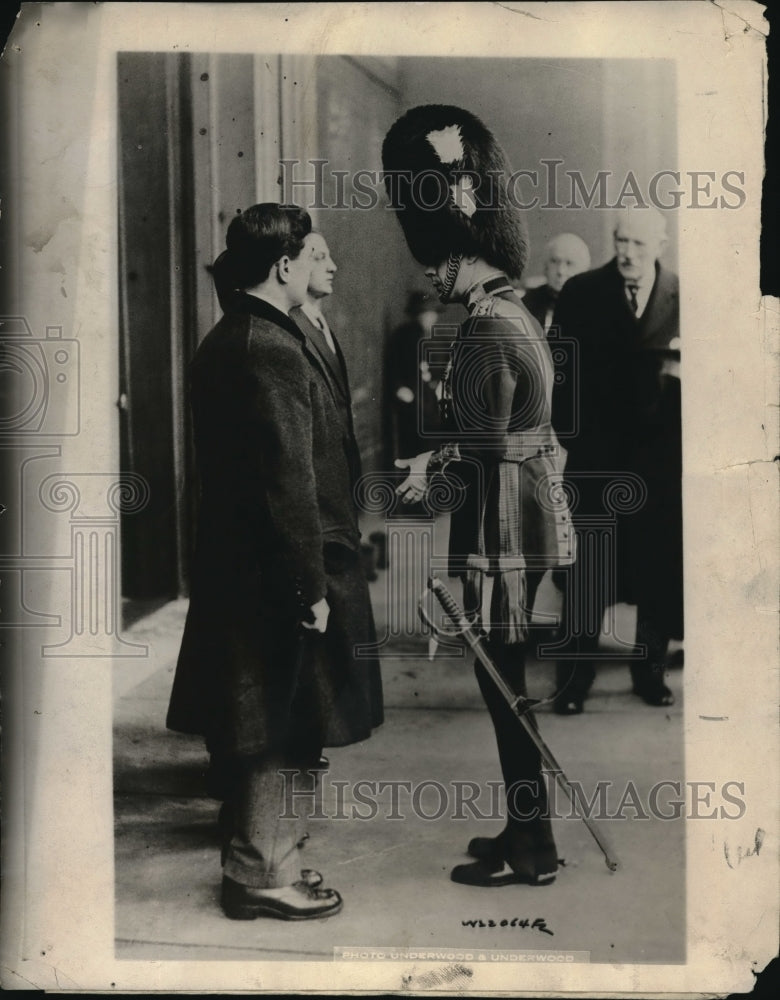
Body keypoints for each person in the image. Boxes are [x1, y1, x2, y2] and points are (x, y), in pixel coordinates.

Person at [166, 204, 383, 921]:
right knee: (279, 726)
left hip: (249, 570)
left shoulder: (237, 336)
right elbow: (285, 481)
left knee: (280, 718)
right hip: (280, 573)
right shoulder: (271, 346)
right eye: (309, 257)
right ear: (285, 267)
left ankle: (270, 856)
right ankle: (261, 874)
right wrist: (308, 586)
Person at [382, 105, 574, 888]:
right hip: (516, 528)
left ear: (463, 252)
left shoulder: (487, 326)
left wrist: (432, 464)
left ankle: (533, 848)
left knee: (503, 692)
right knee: (508, 689)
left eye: (439, 262)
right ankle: (524, 829)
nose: (431, 274)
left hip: (501, 538)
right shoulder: (513, 314)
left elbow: (491, 443)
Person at [550, 206, 682, 714]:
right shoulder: (583, 292)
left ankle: (649, 674)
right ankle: (573, 682)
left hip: (659, 464)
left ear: (661, 246)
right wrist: (576, 437)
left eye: (639, 245)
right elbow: (560, 371)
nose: (627, 253)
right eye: (621, 240)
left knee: (657, 570)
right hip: (597, 460)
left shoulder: (683, 294)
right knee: (588, 573)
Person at [386, 289, 445, 460]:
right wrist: (400, 389)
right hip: (413, 405)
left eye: (432, 313)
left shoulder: (437, 339)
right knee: (414, 453)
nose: (429, 318)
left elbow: (441, 370)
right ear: (416, 315)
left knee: (433, 452)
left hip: (432, 406)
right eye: (425, 313)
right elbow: (394, 367)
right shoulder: (403, 336)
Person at [521, 233, 591, 334]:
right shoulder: (527, 302)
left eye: (569, 263)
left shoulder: (593, 306)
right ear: (545, 266)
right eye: (554, 261)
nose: (560, 271)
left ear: (584, 270)